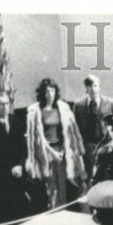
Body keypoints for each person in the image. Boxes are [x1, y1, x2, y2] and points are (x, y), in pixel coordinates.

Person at [26, 77, 86, 211]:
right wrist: (52, 152)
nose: (50, 95)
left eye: (52, 91)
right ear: (42, 93)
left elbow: (69, 132)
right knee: (52, 188)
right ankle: (54, 214)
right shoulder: (35, 111)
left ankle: (63, 214)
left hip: (62, 151)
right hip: (46, 153)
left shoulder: (63, 108)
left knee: (63, 185)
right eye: (47, 92)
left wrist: (64, 150)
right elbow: (37, 137)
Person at [0, 92, 29, 223]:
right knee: (6, 207)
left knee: (22, 205)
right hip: (2, 172)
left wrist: (20, 165)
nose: (5, 107)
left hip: (19, 172)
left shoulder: (17, 122)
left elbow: (23, 147)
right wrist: (11, 167)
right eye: (1, 104)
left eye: (7, 103)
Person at [73, 74, 113, 175]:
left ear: (99, 87)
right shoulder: (79, 105)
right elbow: (75, 128)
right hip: (87, 147)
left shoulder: (111, 103)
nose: (93, 89)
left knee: (107, 173)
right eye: (89, 86)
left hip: (106, 144)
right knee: (90, 175)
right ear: (86, 88)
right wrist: (79, 147)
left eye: (95, 86)